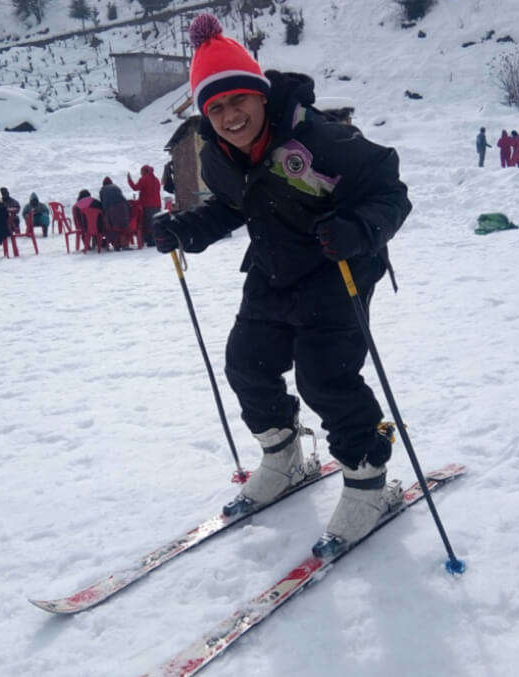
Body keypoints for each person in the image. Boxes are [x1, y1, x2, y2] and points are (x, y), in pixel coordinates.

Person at [153, 14, 412, 554]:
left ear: (260, 95)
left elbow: (391, 190)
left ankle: (369, 481)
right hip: (273, 269)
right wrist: (185, 229)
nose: (229, 116)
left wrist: (357, 229)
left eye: (238, 100)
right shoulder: (216, 153)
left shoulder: (319, 137)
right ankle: (284, 456)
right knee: (245, 361)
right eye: (215, 107)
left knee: (325, 380)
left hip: (336, 270)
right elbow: (232, 206)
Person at [127, 165, 161, 246]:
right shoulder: (156, 180)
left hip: (148, 205)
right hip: (157, 205)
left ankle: (150, 241)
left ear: (144, 171)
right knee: (155, 223)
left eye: (141, 171)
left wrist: (129, 180)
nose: (140, 173)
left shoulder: (144, 179)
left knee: (147, 223)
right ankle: (156, 240)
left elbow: (135, 187)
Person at [99, 177, 130, 249]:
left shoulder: (102, 190)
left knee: (112, 227)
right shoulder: (116, 187)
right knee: (123, 226)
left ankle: (116, 245)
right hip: (123, 207)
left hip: (111, 208)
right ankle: (125, 244)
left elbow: (102, 202)